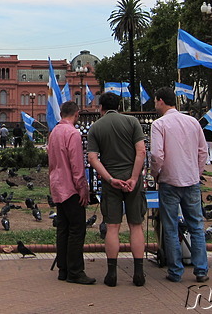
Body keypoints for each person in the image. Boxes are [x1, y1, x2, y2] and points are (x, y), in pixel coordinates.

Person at [87, 92, 147, 288]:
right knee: (135, 225)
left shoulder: (96, 127)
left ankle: (111, 273)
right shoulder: (132, 122)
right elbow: (141, 151)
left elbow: (93, 158)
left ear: (101, 107)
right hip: (133, 180)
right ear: (119, 105)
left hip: (110, 181)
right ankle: (138, 273)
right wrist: (134, 177)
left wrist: (110, 179)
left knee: (112, 227)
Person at [149, 87, 209, 283]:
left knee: (171, 227)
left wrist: (155, 174)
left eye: (155, 101)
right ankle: (201, 269)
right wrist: (196, 172)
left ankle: (176, 271)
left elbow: (157, 155)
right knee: (196, 226)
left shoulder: (159, 124)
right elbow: (203, 152)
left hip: (169, 181)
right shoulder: (193, 122)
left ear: (160, 101)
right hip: (191, 180)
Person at [48, 100, 94, 285]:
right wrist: (82, 187)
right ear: (76, 115)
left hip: (57, 185)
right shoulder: (73, 133)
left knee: (63, 228)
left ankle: (63, 269)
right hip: (71, 187)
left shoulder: (54, 132)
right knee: (77, 229)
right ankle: (75, 271)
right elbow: (77, 164)